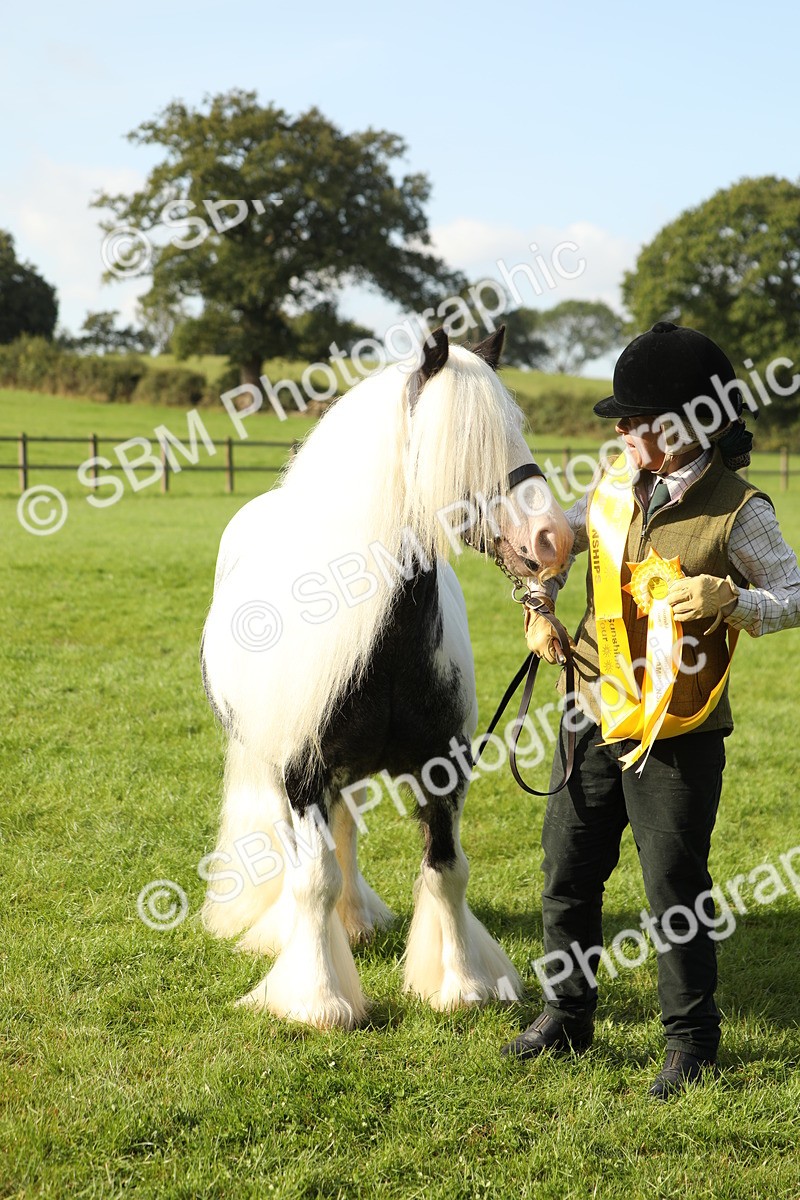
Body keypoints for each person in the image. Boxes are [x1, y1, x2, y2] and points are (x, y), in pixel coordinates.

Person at [500, 321, 800, 1098]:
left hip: (680, 732)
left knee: (674, 889)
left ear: (687, 424)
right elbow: (560, 544)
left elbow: (796, 595)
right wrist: (538, 602)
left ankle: (692, 1044)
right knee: (567, 873)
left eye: (636, 421)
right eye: (623, 422)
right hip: (592, 712)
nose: (624, 433)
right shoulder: (609, 485)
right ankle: (566, 1015)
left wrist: (732, 597)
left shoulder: (741, 510)